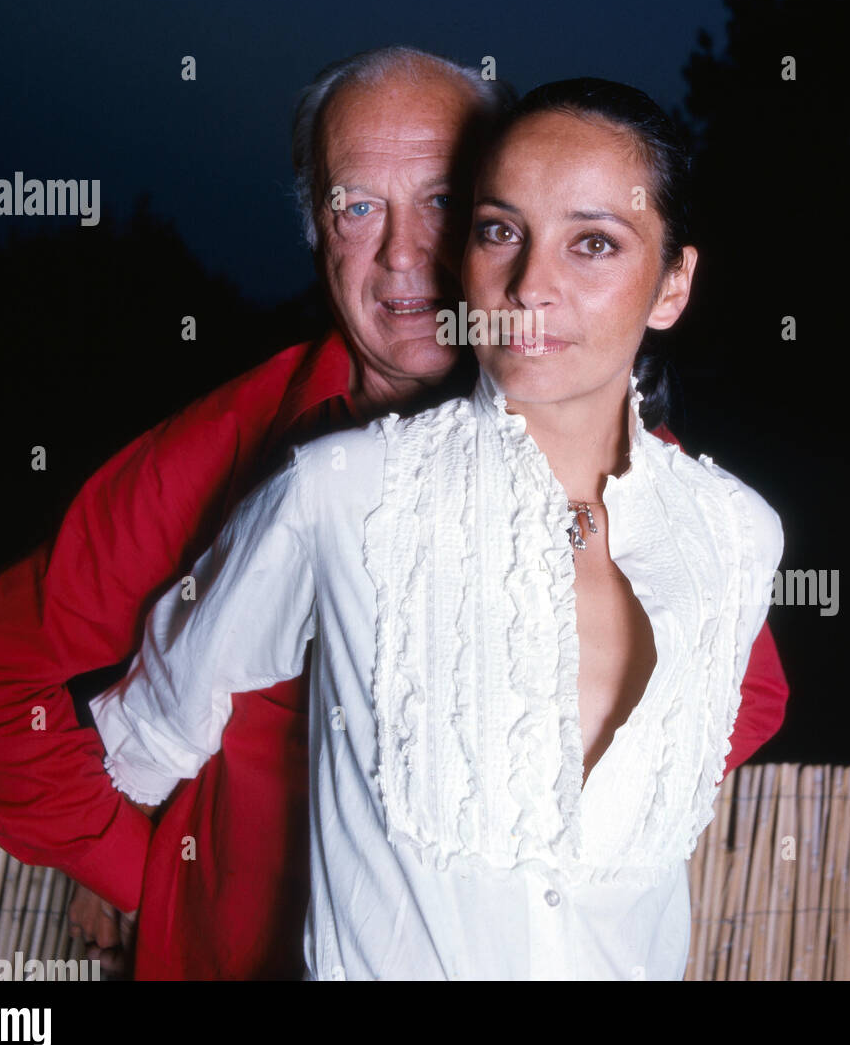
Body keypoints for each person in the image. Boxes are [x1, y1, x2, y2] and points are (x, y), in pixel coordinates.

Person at [89, 78, 786, 980]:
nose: (531, 285)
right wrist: (117, 881)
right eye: (501, 230)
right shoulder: (342, 494)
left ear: (672, 285)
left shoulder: (736, 536)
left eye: (594, 244)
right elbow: (154, 729)